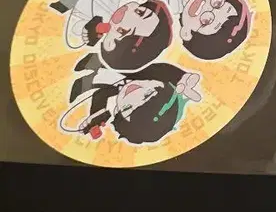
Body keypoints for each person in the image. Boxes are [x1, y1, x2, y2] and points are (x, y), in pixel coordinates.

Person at [49, 0, 173, 71]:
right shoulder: (113, 6)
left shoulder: (97, 27)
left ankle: (61, 5)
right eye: (139, 11)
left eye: (122, 31)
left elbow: (76, 27)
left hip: (79, 4)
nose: (126, 16)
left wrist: (90, 28)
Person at [66, 55, 202, 145]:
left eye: (127, 107)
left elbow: (101, 96)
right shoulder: (150, 73)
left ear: (118, 110)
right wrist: (183, 78)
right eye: (147, 94)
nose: (133, 94)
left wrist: (97, 115)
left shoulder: (116, 92)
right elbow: (164, 71)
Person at [144, 0, 251, 61]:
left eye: (206, 20)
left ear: (186, 33)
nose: (206, 8)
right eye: (217, 3)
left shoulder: (169, 8)